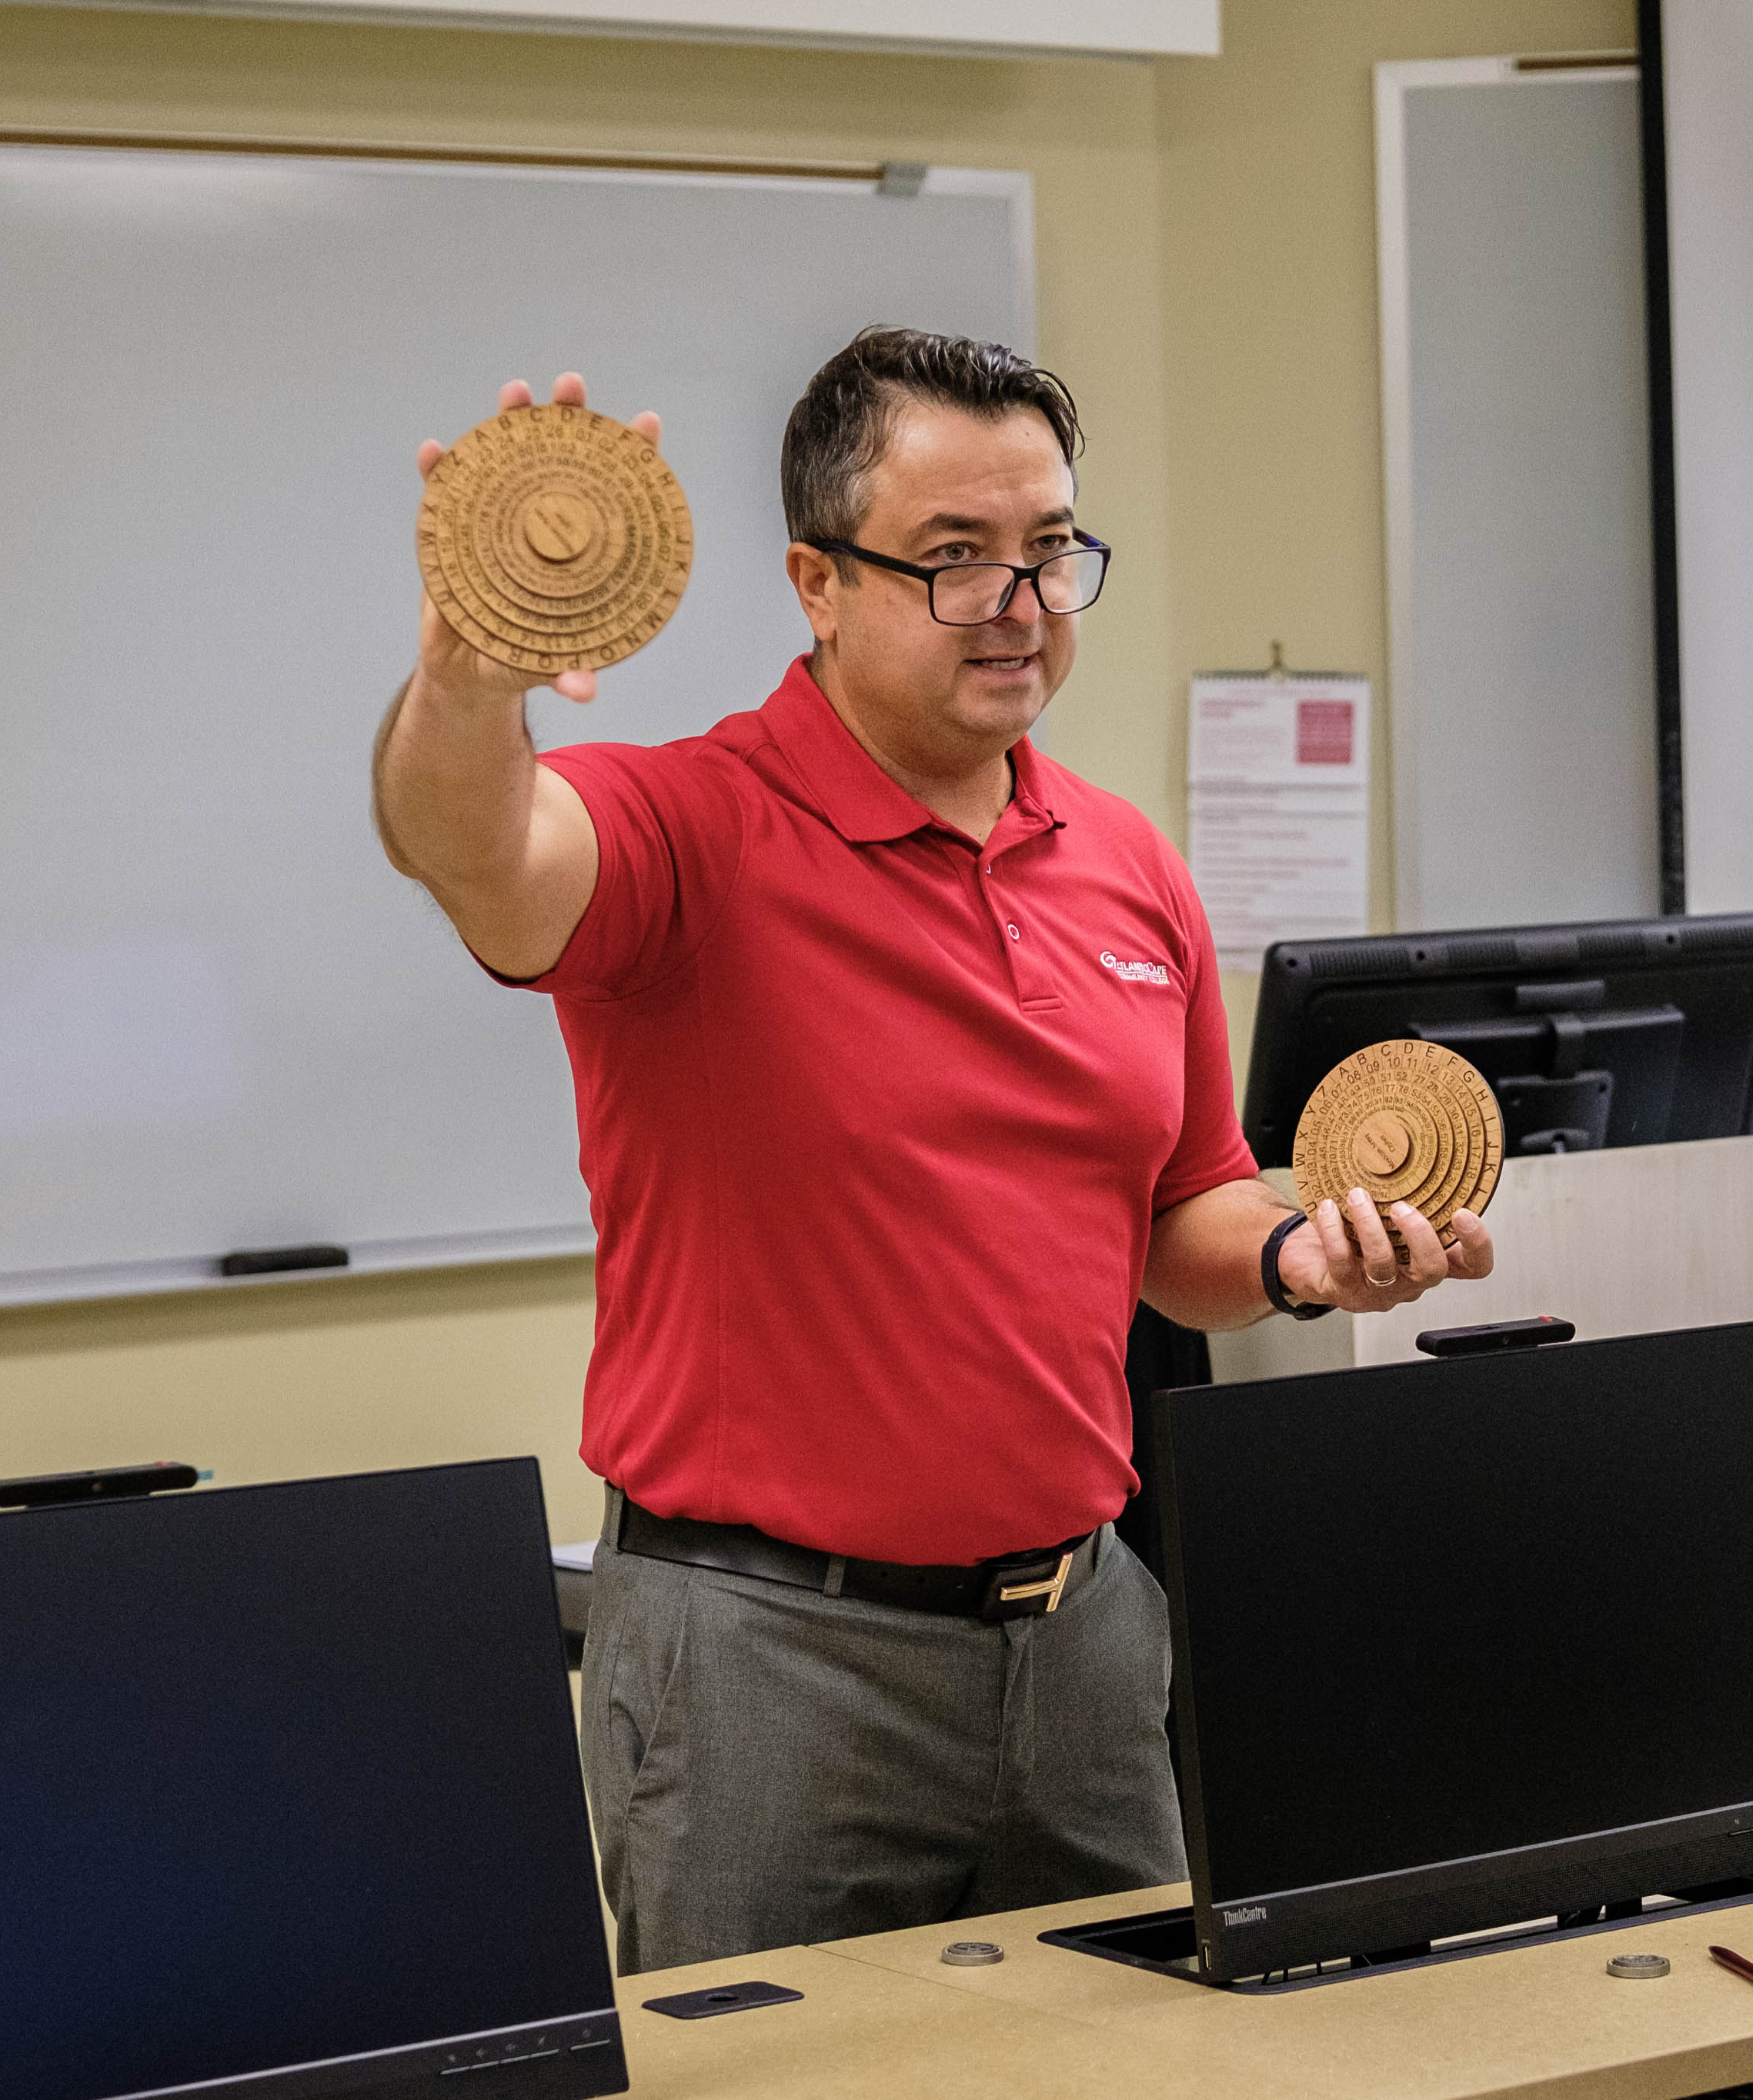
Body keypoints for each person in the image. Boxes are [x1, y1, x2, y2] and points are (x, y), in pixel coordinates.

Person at [372, 329, 1494, 1973]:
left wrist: (1289, 1256)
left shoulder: (1125, 866)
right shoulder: (688, 830)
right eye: (953, 559)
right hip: (766, 1657)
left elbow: (1181, 1203)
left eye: (1047, 551)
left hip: (1086, 1644)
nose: (1018, 604)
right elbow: (469, 844)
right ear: (816, 584)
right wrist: (472, 677)